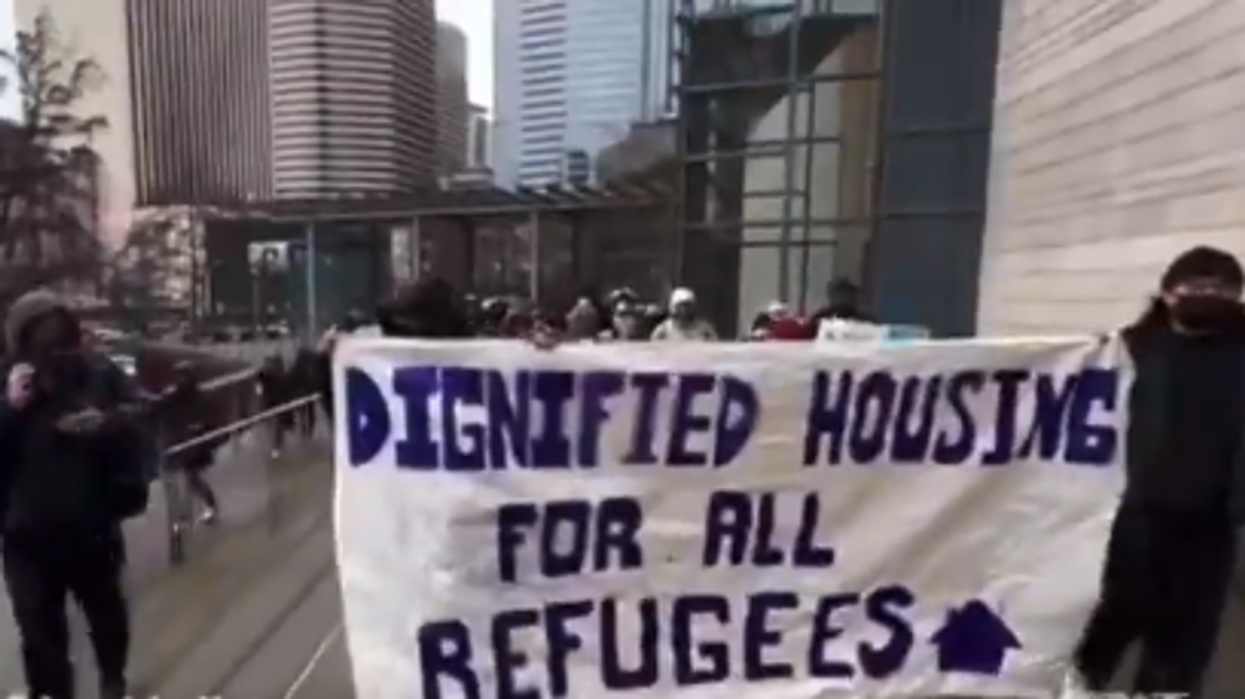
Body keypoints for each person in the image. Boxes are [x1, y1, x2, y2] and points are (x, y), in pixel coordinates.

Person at [1072, 246, 1245, 697]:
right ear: (1168, 293)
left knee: (1188, 632)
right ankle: (1079, 682)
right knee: (1112, 614)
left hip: (1214, 521)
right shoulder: (1126, 350)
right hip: (1131, 514)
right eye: (1198, 286)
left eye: (1224, 289)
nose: (1211, 295)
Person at [0, 290, 147, 699]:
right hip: (26, 534)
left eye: (60, 337)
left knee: (106, 615)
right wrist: (11, 408)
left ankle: (112, 679)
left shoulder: (97, 373)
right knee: (39, 630)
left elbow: (138, 417)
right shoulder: (10, 381)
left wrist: (105, 425)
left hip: (91, 524)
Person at [159, 362, 221, 523]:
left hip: (193, 441)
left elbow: (205, 416)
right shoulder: (183, 393)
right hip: (187, 440)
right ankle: (196, 509)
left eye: (182, 376)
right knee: (189, 478)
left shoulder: (186, 394)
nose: (179, 379)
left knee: (191, 477)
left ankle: (209, 506)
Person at [650, 287, 717, 341]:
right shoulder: (663, 331)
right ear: (673, 307)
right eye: (680, 306)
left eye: (687, 305)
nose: (684, 310)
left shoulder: (705, 330)